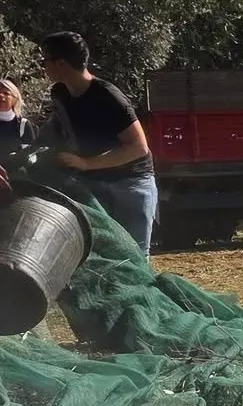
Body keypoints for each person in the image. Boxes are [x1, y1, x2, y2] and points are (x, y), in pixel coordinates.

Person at [41, 31, 158, 255]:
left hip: (131, 185)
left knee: (133, 257)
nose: (43, 67)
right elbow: (55, 128)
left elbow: (138, 147)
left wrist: (85, 163)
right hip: (92, 185)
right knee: (97, 256)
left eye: (45, 61)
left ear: (61, 63)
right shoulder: (60, 93)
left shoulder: (108, 96)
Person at [0, 80, 35, 149]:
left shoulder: (23, 125)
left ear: (14, 99)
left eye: (6, 93)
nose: (1, 95)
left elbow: (31, 153)